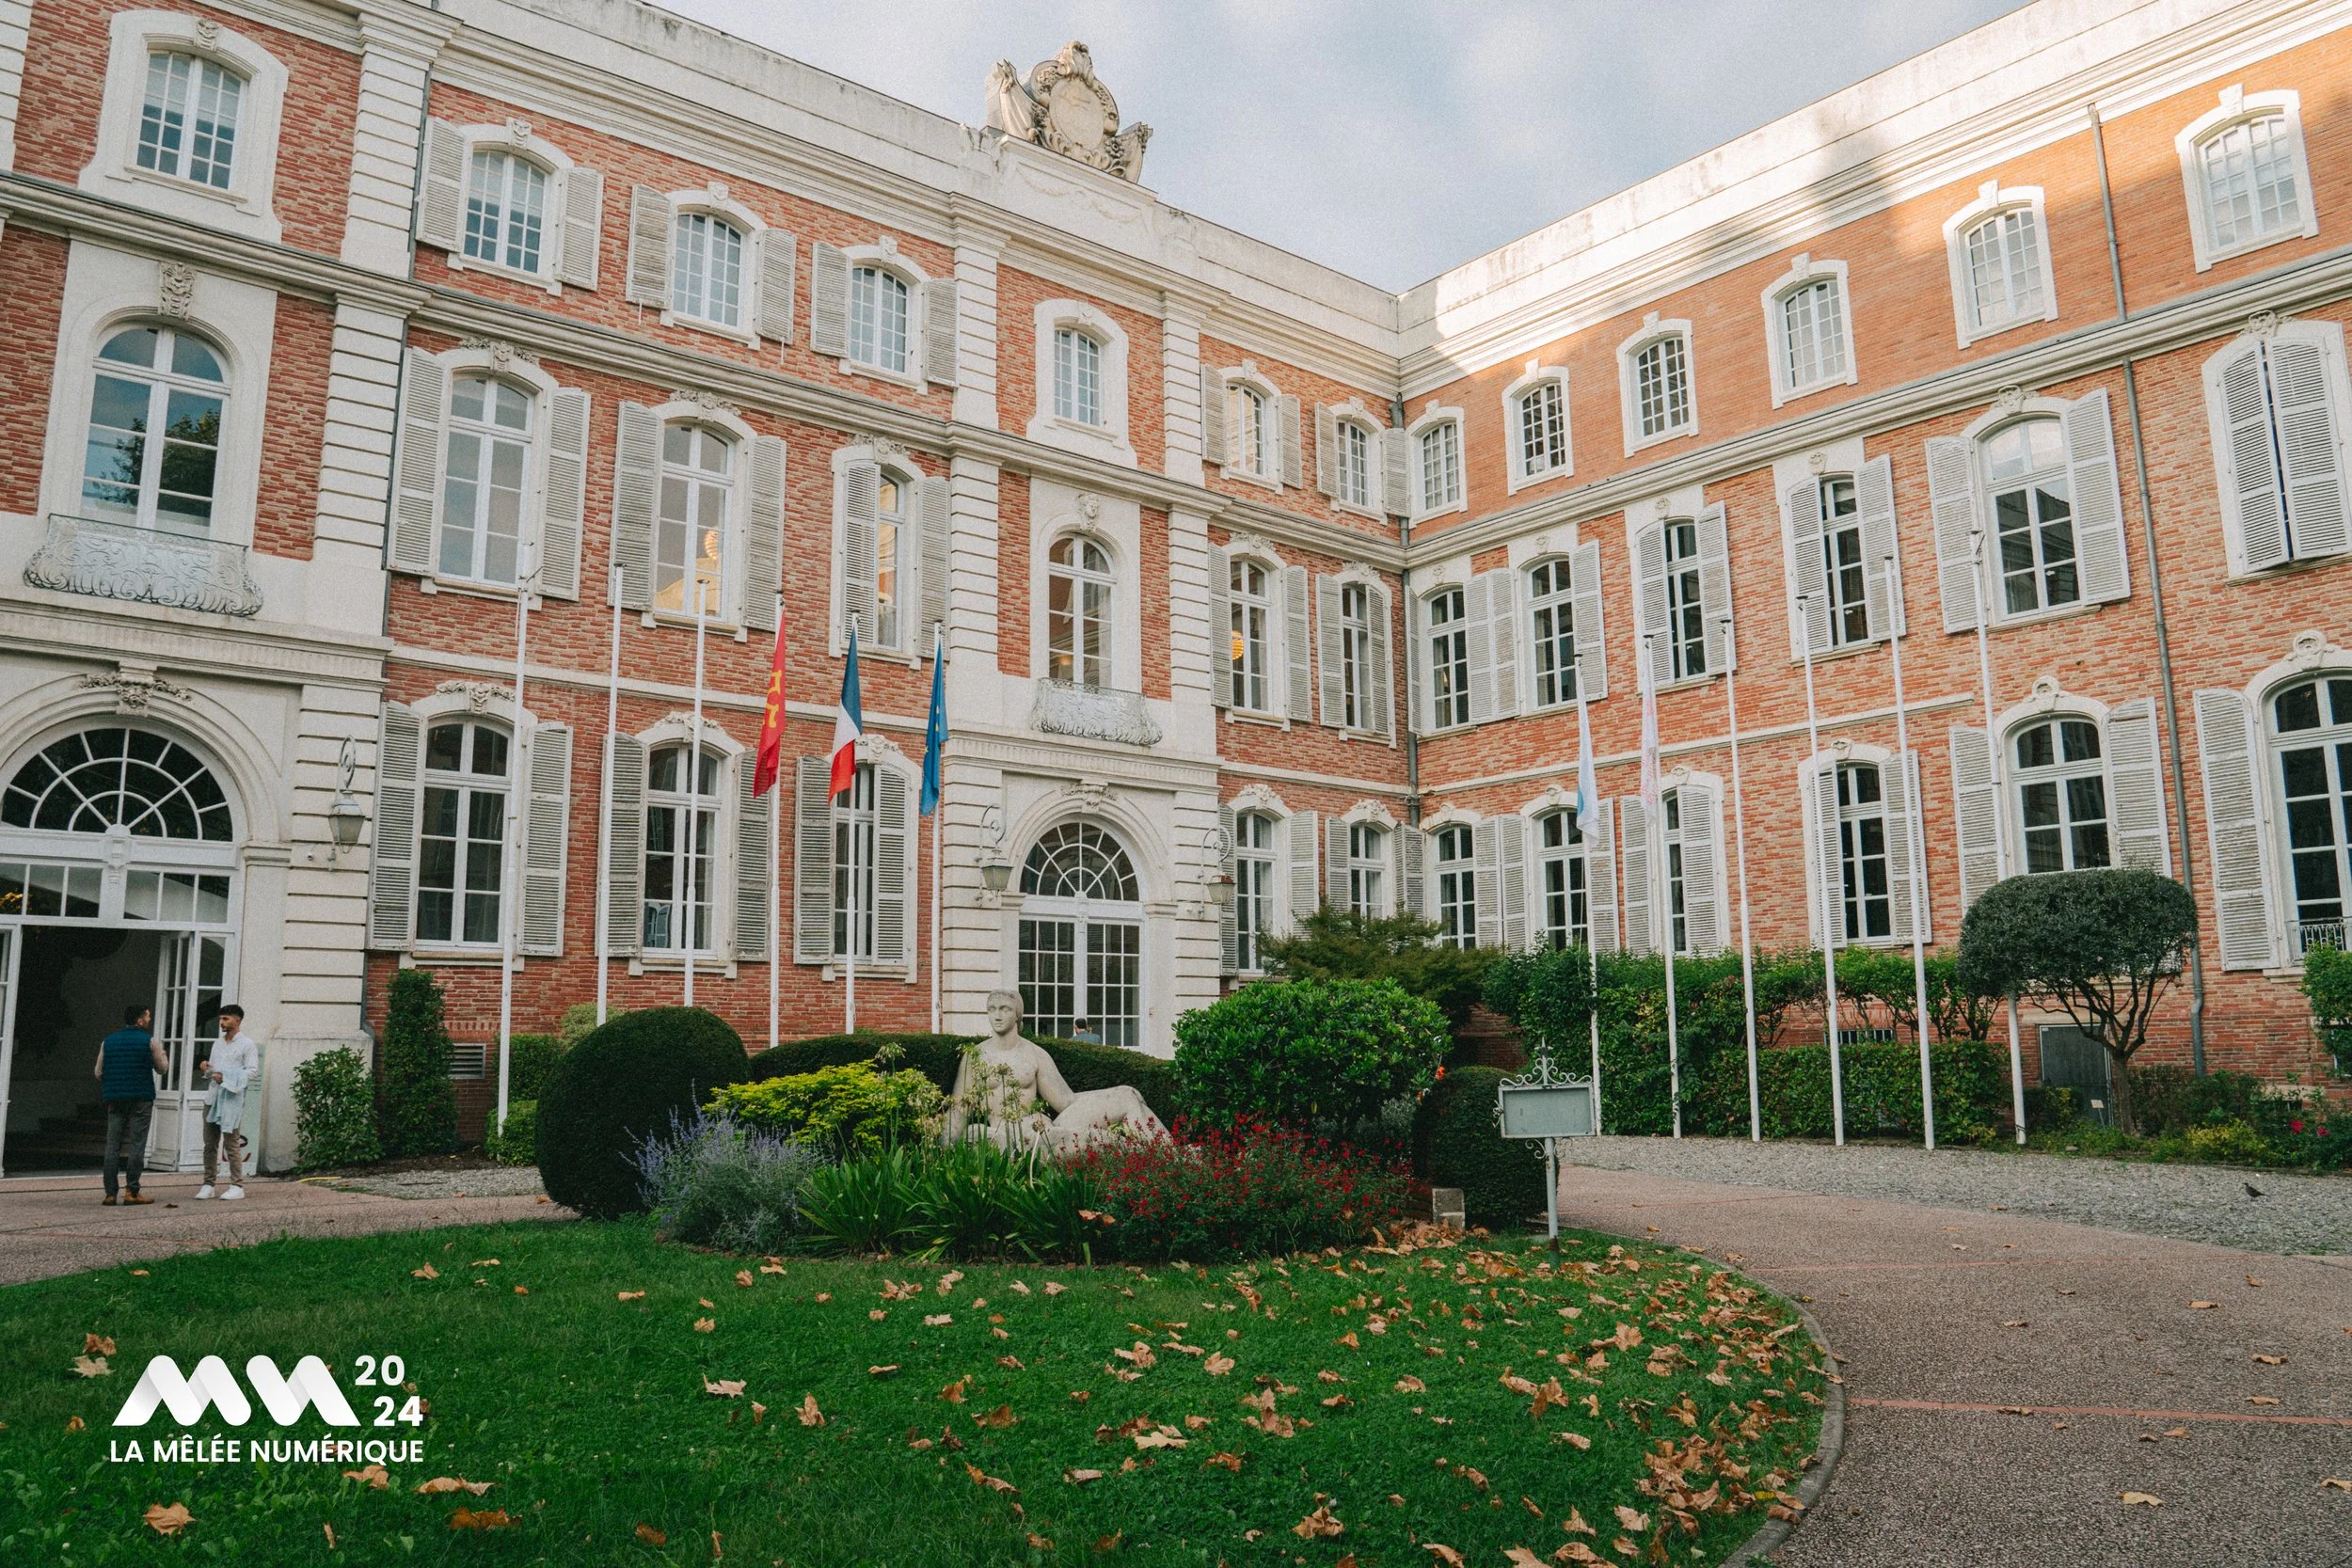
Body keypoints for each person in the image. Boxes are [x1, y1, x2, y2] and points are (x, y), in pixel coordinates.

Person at [93, 1004, 167, 1206]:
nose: (149, 1020)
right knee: (136, 1145)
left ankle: (110, 1193)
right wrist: (164, 1056)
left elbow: (98, 1072)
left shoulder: (108, 1041)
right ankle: (132, 1191)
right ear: (140, 1021)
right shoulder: (149, 1041)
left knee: (112, 1146)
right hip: (140, 1098)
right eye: (148, 1017)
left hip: (115, 1099)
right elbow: (162, 1069)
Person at [196, 1004, 257, 1200]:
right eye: (220, 1019)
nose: (221, 1023)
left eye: (226, 1019)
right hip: (213, 1097)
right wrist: (206, 1068)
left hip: (231, 1097)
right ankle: (208, 1183)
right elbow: (212, 1071)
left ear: (237, 1020)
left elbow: (252, 1071)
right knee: (209, 1143)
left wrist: (227, 1077)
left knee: (231, 1143)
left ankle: (237, 1185)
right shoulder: (218, 1044)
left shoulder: (247, 1044)